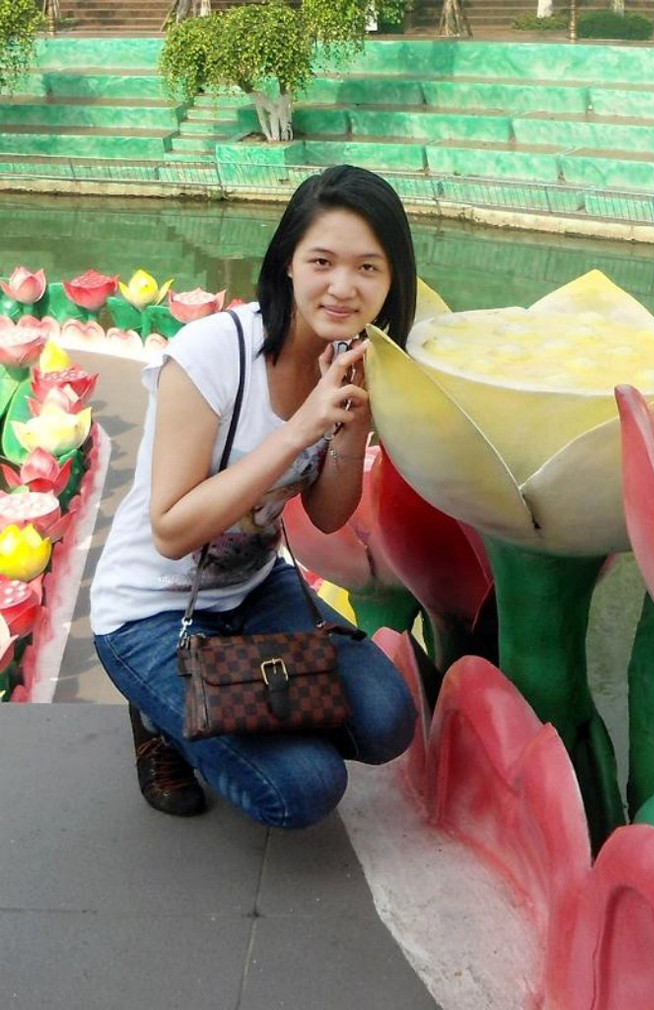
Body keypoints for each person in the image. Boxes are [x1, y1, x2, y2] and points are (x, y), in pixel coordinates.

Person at [90, 164, 418, 829]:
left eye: (368, 268)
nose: (343, 286)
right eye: (322, 261)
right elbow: (171, 531)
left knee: (387, 721)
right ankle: (159, 719)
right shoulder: (213, 352)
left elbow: (326, 513)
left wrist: (349, 430)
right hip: (152, 609)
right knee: (303, 790)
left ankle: (227, 710)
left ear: (392, 280)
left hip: (254, 591)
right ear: (288, 262)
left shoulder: (350, 358)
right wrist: (302, 426)